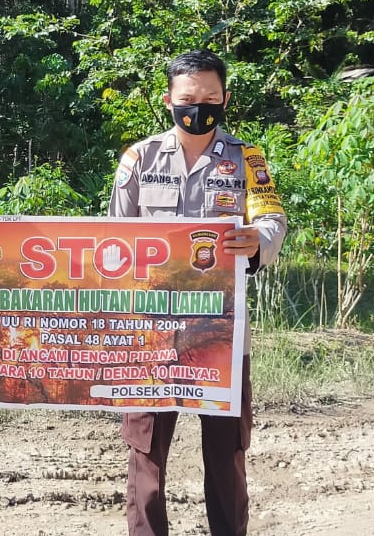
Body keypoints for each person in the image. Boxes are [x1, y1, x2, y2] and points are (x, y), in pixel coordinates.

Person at [109, 50, 287, 536]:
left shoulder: (248, 159)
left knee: (227, 454)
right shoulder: (139, 159)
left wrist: (258, 241)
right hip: (151, 332)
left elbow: (272, 220)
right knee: (146, 452)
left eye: (210, 98)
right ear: (169, 100)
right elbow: (113, 236)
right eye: (189, 98)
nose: (199, 107)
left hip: (221, 332)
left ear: (225, 99)